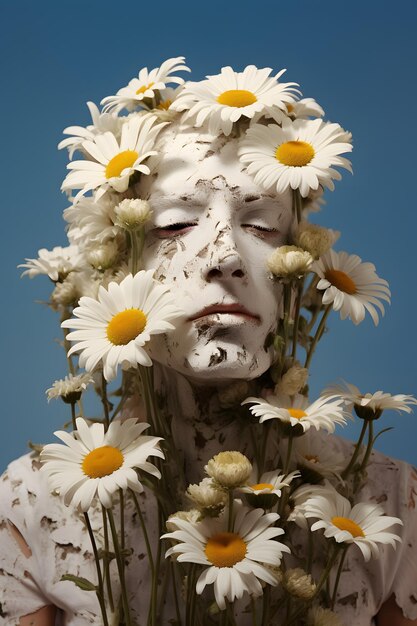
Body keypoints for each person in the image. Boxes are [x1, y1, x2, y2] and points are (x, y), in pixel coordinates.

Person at [1, 72, 417, 626]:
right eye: (174, 225)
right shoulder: (35, 502)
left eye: (263, 226)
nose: (225, 254)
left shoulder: (389, 500)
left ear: (298, 276)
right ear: (118, 269)